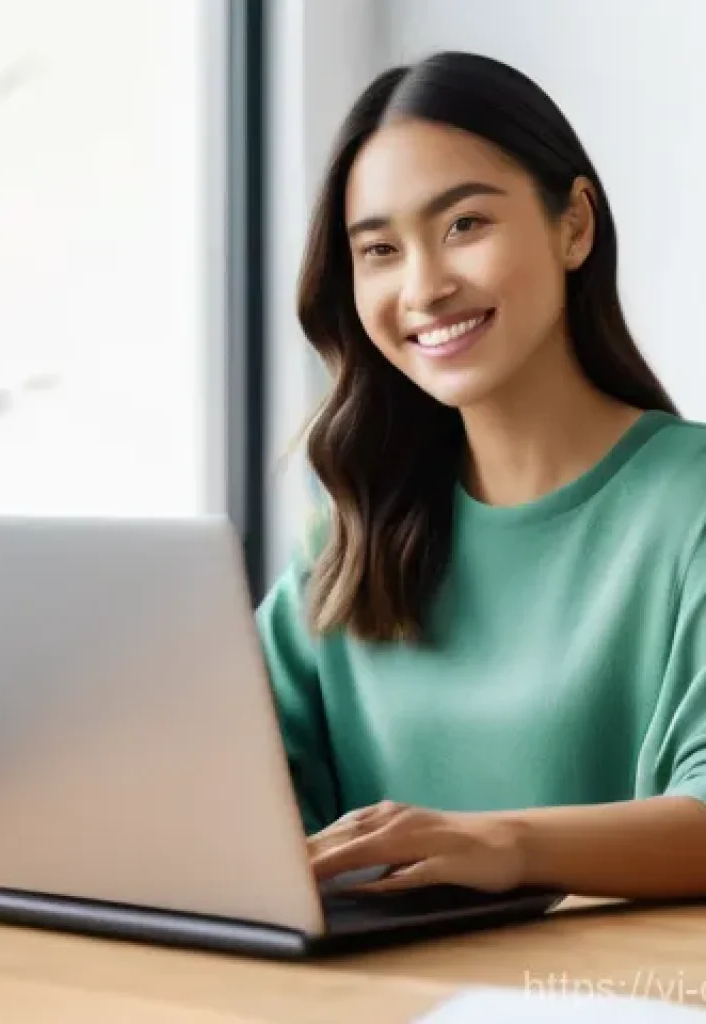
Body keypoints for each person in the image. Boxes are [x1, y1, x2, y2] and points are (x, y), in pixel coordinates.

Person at [256, 50, 706, 901]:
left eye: (464, 225)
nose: (424, 286)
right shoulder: (351, 533)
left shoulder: (690, 506)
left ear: (574, 224)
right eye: (380, 249)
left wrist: (504, 844)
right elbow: (236, 786)